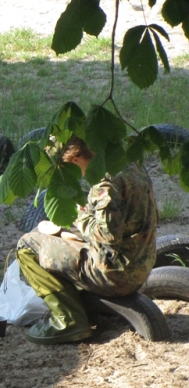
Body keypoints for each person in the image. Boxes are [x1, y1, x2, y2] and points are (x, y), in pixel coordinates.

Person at [16, 135, 159, 345]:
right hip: (141, 262)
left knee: (27, 245)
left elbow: (107, 235)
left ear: (74, 160)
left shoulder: (106, 182)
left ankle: (67, 320)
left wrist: (77, 215)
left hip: (114, 274)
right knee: (60, 239)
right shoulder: (130, 163)